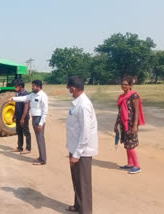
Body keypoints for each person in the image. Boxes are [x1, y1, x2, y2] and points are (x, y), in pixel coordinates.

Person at [66, 76, 98, 214]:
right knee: (77, 180)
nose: (69, 91)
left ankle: (85, 211)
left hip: (82, 152)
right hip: (75, 148)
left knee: (83, 183)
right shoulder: (77, 102)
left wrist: (77, 154)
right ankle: (78, 205)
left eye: (69, 89)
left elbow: (85, 133)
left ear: (73, 88)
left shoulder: (84, 105)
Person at [8, 79, 48, 165]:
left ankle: (43, 160)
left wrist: (41, 123)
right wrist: (12, 98)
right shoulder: (32, 95)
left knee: (40, 138)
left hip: (39, 119)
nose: (32, 87)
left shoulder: (43, 96)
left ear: (38, 86)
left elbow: (45, 111)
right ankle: (41, 157)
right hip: (34, 118)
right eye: (32, 86)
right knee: (38, 138)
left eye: (33, 86)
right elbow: (24, 98)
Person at [114, 76, 145, 174]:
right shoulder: (121, 97)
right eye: (122, 84)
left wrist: (135, 125)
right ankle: (130, 164)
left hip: (131, 124)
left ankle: (137, 166)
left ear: (130, 85)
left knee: (130, 145)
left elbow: (136, 112)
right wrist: (116, 125)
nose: (123, 86)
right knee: (127, 145)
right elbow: (120, 113)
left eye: (126, 84)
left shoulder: (134, 96)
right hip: (123, 124)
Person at [11, 79, 31, 154]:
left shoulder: (25, 94)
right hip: (18, 116)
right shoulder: (17, 94)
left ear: (20, 87)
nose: (14, 88)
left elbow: (26, 107)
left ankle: (28, 148)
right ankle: (20, 147)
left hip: (24, 117)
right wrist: (14, 115)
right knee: (19, 132)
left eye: (16, 86)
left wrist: (22, 118)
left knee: (26, 132)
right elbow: (17, 105)